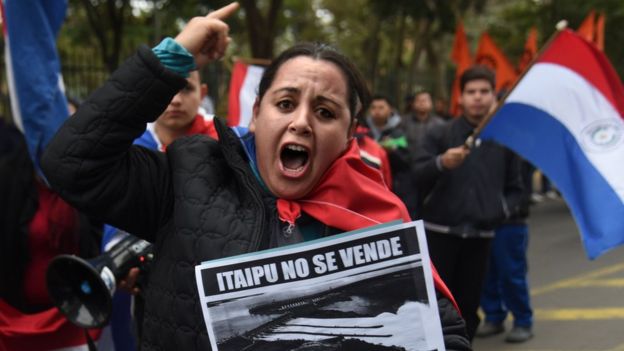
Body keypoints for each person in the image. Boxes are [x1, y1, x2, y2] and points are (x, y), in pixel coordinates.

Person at [42, 3, 471, 350]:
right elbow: (72, 163)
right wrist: (170, 58)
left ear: (347, 137)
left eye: (325, 112)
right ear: (256, 114)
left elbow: (445, 334)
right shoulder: (187, 174)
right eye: (285, 103)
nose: (302, 122)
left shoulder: (376, 215)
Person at [413, 65, 524, 341]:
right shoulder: (440, 134)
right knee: (438, 308)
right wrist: (441, 163)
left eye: (484, 91)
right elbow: (415, 175)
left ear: (493, 96)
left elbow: (517, 190)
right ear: (459, 98)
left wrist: (498, 210)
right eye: (471, 91)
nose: (478, 97)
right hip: (440, 235)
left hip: (481, 237)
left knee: (468, 307)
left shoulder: (505, 139)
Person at [0, 119, 103, 349]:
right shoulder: (8, 182)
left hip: (72, 323)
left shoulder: (83, 181)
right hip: (14, 328)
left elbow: (93, 244)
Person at [477, 158, 534, 343]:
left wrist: (506, 208)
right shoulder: (472, 139)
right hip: (480, 218)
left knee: (511, 272)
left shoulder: (514, 140)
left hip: (510, 220)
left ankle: (523, 320)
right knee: (485, 272)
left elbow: (520, 182)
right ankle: (493, 316)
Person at [365, 94, 418, 215]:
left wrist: (393, 151)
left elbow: (407, 161)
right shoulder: (363, 131)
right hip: (370, 189)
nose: (377, 111)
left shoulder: (401, 131)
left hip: (396, 189)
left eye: (381, 107)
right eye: (373, 107)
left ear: (390, 109)